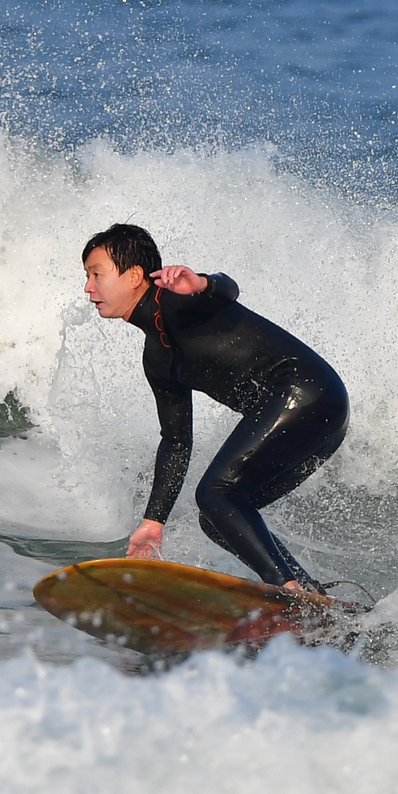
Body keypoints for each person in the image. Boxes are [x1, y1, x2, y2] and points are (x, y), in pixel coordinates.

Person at [81, 223, 349, 594]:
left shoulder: (175, 299)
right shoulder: (157, 359)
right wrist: (153, 522)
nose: (88, 288)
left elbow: (228, 289)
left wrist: (203, 283)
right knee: (220, 515)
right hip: (321, 413)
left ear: (134, 276)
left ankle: (289, 591)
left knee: (215, 494)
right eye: (87, 276)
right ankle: (310, 594)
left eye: (96, 274)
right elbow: (176, 442)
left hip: (304, 390)